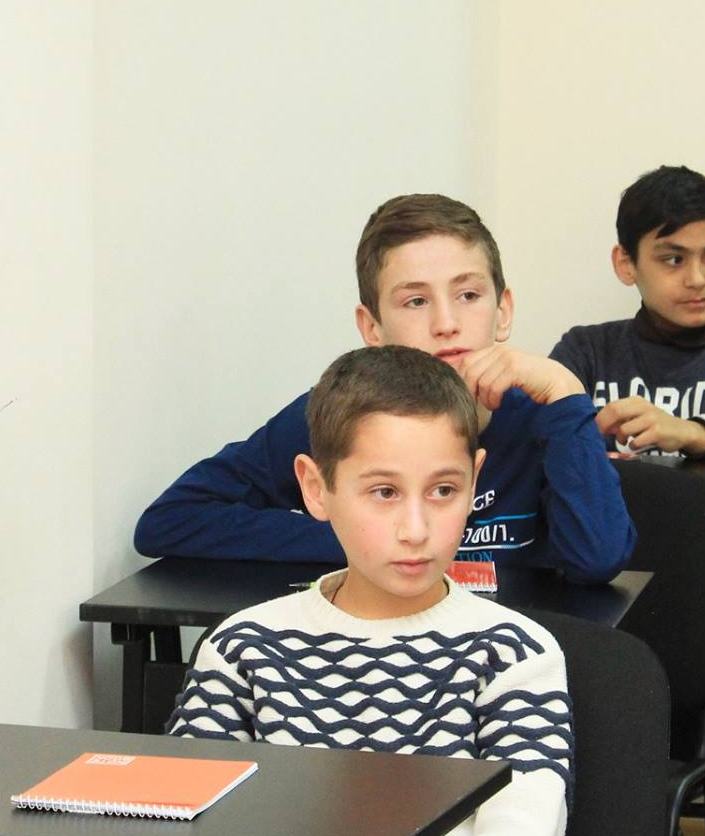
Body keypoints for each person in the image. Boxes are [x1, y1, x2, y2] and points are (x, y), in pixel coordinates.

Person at [132, 346, 572, 836]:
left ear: (475, 479)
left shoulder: (514, 651)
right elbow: (164, 833)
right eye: (383, 492)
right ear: (316, 488)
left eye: (444, 491)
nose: (416, 528)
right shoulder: (243, 644)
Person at [134, 193, 637, 584]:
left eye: (468, 294)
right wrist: (359, 542)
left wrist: (566, 392)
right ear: (372, 327)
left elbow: (598, 559)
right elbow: (171, 521)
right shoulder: (341, 413)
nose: (447, 323)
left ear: (502, 311)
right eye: (416, 301)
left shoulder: (546, 415)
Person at [551, 165, 705, 462]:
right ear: (626, 264)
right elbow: (539, 443)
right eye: (674, 260)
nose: (697, 279)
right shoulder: (585, 351)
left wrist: (690, 433)